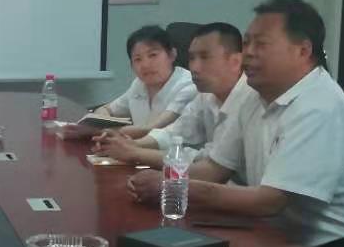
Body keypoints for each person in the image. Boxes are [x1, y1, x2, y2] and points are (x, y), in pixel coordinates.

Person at [126, 0, 344, 247]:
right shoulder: (252, 96)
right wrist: (166, 179)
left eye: (261, 44)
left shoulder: (320, 105)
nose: (248, 53)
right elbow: (214, 169)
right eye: (247, 43)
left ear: (303, 50)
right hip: (287, 238)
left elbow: (269, 201)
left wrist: (171, 187)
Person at [94, 22, 249, 169]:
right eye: (191, 58)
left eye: (205, 57)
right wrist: (132, 145)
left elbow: (210, 166)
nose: (194, 67)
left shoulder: (248, 100)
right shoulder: (206, 95)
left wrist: (134, 151)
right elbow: (175, 132)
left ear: (236, 61)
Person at [90, 24, 196, 138]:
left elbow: (151, 129)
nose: (145, 65)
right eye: (137, 59)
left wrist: (107, 130)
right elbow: (105, 109)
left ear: (172, 55)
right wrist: (101, 124)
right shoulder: (139, 84)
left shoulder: (188, 84)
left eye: (153, 55)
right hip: (134, 146)